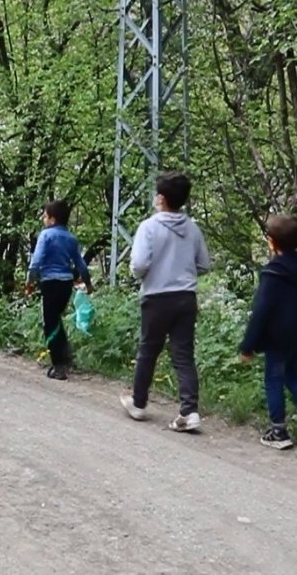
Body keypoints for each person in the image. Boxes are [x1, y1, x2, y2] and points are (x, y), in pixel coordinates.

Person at [119, 172, 211, 432]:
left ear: (160, 198)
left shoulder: (149, 227)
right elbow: (204, 264)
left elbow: (138, 265)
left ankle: (138, 404)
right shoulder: (192, 228)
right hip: (185, 297)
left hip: (156, 296)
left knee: (148, 349)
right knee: (183, 355)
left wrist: (146, 273)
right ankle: (190, 411)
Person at [238, 214, 297, 450]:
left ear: (272, 242)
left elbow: (262, 311)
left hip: (279, 338)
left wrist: (248, 346)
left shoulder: (273, 272)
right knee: (293, 374)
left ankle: (278, 431)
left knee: (274, 379)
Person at [25, 200, 93, 381]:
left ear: (52, 219)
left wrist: (30, 281)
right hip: (66, 284)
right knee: (56, 320)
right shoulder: (71, 238)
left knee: (50, 323)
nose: (43, 219)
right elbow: (80, 264)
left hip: (50, 282)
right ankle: (65, 356)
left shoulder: (46, 236)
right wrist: (88, 283)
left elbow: (36, 261)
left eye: (45, 216)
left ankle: (59, 366)